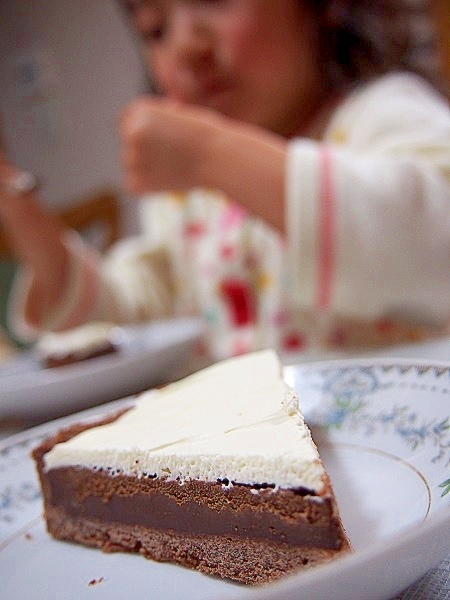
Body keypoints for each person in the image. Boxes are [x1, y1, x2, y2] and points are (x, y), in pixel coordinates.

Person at [0, 0, 449, 361]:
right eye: (156, 29)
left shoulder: (383, 115)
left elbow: (433, 245)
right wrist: (30, 224)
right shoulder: (189, 196)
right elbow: (136, 312)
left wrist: (212, 153)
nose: (186, 47)